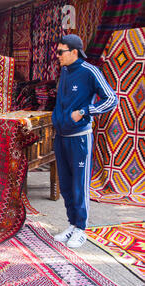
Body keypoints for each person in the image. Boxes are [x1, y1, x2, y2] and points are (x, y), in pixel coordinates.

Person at [52, 34, 118, 248]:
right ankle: (72, 225)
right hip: (61, 137)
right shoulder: (64, 71)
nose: (58, 55)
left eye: (61, 52)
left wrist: (85, 111)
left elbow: (111, 98)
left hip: (79, 139)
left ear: (73, 52)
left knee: (79, 185)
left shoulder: (90, 72)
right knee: (66, 186)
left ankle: (81, 229)